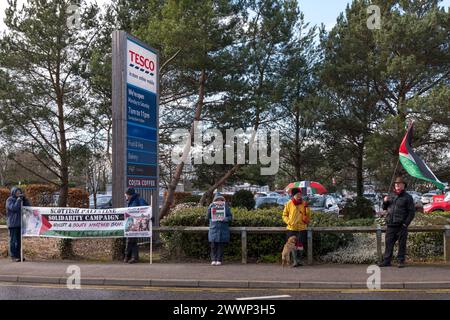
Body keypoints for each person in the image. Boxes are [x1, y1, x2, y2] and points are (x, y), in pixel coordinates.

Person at [379, 176, 415, 268]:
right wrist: (385, 201)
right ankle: (387, 261)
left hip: (401, 225)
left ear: (403, 186)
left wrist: (405, 224)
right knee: (388, 243)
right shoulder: (391, 195)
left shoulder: (408, 197)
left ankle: (400, 261)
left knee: (402, 244)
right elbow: (384, 208)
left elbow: (411, 212)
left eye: (399, 184)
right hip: (391, 224)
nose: (397, 186)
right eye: (396, 184)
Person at [282, 188, 311, 267]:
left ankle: (299, 260)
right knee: (293, 245)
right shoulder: (289, 203)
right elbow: (284, 215)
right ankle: (295, 261)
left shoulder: (304, 203)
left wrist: (307, 208)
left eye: (300, 194)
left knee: (300, 245)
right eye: (297, 194)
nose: (299, 196)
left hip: (302, 228)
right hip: (292, 228)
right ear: (293, 195)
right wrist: (289, 222)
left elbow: (308, 216)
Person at [124, 188, 148, 264]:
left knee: (131, 240)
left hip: (137, 223)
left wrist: (148, 215)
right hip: (131, 223)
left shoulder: (138, 200)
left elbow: (146, 208)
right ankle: (131, 257)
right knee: (131, 240)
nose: (125, 196)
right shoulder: (131, 201)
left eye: (126, 195)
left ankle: (130, 257)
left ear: (129, 195)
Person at [207, 194, 232, 266]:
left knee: (221, 246)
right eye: (217, 200)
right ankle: (213, 259)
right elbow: (207, 217)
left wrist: (225, 219)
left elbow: (230, 217)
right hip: (214, 229)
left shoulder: (226, 207)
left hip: (222, 229)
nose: (219, 201)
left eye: (221, 200)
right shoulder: (212, 206)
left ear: (223, 200)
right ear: (214, 201)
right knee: (213, 246)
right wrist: (210, 206)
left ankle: (219, 260)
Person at [6, 187, 30, 262]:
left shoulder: (21, 200)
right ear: (13, 192)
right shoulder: (10, 200)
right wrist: (18, 200)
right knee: (13, 241)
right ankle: (13, 256)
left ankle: (19, 255)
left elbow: (28, 208)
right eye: (17, 192)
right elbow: (14, 208)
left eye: (19, 192)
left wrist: (25, 200)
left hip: (20, 224)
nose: (18, 193)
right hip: (13, 224)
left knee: (19, 241)